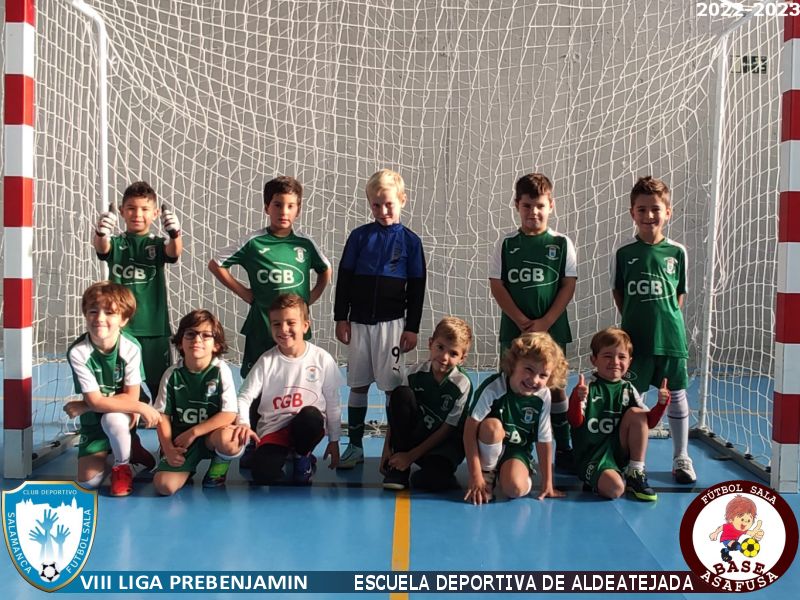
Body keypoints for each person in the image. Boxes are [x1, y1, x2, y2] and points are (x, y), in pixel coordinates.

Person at [334, 169, 426, 469]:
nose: (383, 210)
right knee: (358, 385)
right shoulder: (359, 237)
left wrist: (411, 327)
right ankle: (356, 446)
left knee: (392, 389)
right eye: (376, 204)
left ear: (402, 200)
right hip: (359, 324)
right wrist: (340, 318)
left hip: (393, 327)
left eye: (389, 204)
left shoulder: (411, 242)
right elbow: (345, 279)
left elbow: (417, 288)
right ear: (369, 204)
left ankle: (393, 446)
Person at [488, 173, 576, 472]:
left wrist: (546, 321)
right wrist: (522, 319)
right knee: (511, 385)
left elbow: (567, 285)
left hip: (552, 331)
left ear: (551, 205)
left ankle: (564, 448)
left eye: (539, 205)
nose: (533, 212)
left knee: (556, 388)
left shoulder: (562, 244)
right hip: (516, 330)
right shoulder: (506, 244)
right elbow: (497, 285)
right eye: (527, 205)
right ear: (517, 205)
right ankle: (511, 448)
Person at [611, 176, 696, 483]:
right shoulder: (623, 253)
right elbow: (619, 294)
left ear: (668, 212)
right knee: (633, 400)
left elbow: (679, 295)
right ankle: (632, 459)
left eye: (655, 209)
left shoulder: (677, 252)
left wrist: (664, 321)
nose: (649, 216)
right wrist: (637, 321)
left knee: (676, 394)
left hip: (670, 339)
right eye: (642, 209)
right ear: (632, 213)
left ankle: (681, 457)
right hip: (636, 341)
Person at [208, 176, 331, 379]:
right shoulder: (254, 242)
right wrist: (246, 294)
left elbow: (325, 269)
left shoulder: (305, 244)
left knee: (294, 375)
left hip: (294, 324)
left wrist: (310, 299)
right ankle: (255, 411)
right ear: (267, 207)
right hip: (262, 323)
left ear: (298, 210)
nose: (284, 211)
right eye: (277, 205)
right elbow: (216, 264)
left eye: (290, 206)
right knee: (258, 378)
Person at [64, 282, 161, 496]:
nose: (99, 318)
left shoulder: (130, 347)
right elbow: (96, 402)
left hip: (125, 411)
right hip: (97, 419)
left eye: (109, 313)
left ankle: (123, 465)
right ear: (85, 314)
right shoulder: (79, 352)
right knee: (89, 482)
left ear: (124, 320)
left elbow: (131, 396)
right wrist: (93, 406)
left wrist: (86, 406)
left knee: (113, 419)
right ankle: (128, 447)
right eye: (93, 311)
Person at [234, 294, 342, 485]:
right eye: (276, 324)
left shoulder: (322, 359)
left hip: (307, 426)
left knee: (311, 416)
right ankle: (281, 455)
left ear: (305, 326)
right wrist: (243, 423)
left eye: (290, 322)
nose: (283, 329)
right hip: (275, 428)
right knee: (262, 475)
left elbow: (333, 403)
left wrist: (334, 440)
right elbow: (244, 396)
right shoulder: (266, 361)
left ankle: (303, 456)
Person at [94, 181, 182, 404]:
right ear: (122, 211)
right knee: (122, 379)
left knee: (159, 382)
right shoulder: (117, 242)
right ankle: (136, 405)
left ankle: (163, 419)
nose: (137, 214)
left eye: (144, 209)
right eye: (131, 208)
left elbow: (173, 252)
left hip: (154, 326)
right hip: (122, 327)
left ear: (155, 213)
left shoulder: (157, 243)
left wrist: (175, 234)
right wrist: (100, 232)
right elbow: (102, 248)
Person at [463, 332, 567, 504]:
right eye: (529, 369)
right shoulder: (493, 388)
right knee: (492, 427)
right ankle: (487, 474)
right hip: (489, 444)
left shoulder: (543, 395)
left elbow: (544, 439)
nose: (534, 379)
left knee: (514, 489)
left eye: (543, 375)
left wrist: (548, 483)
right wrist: (475, 475)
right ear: (513, 364)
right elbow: (469, 430)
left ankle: (519, 472)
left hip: (517, 450)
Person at [568, 327, 669, 502]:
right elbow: (575, 421)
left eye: (621, 357)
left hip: (618, 451)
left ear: (629, 361)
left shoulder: (628, 388)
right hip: (593, 456)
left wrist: (661, 404)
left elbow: (648, 423)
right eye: (607, 356)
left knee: (637, 414)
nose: (615, 361)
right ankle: (596, 478)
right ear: (594, 360)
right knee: (615, 490)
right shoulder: (588, 388)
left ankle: (635, 471)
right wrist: (576, 399)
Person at [152, 310, 243, 495]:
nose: (197, 340)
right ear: (180, 342)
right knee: (164, 487)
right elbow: (162, 416)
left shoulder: (220, 370)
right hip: (182, 440)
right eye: (190, 334)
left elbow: (229, 413)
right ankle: (186, 467)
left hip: (211, 435)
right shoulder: (172, 374)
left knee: (231, 440)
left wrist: (194, 432)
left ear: (216, 345)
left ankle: (217, 472)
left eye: (206, 335)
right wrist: (168, 448)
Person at [381, 317, 473, 491]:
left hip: (443, 445)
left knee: (429, 481)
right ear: (431, 343)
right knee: (400, 394)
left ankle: (418, 465)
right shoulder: (413, 373)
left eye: (453, 353)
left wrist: (410, 456)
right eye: (440, 347)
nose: (445, 357)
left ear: (462, 358)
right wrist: (388, 449)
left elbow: (448, 429)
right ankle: (399, 468)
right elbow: (396, 414)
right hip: (417, 436)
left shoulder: (462, 384)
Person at [709, 495, 765, 563]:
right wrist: (715, 533)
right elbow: (721, 528)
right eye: (742, 519)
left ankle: (725, 551)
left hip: (734, 541)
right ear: (730, 519)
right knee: (734, 545)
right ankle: (741, 549)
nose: (745, 523)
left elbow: (751, 533)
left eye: (749, 520)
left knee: (733, 547)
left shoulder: (742, 530)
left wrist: (758, 533)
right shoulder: (728, 526)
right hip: (726, 539)